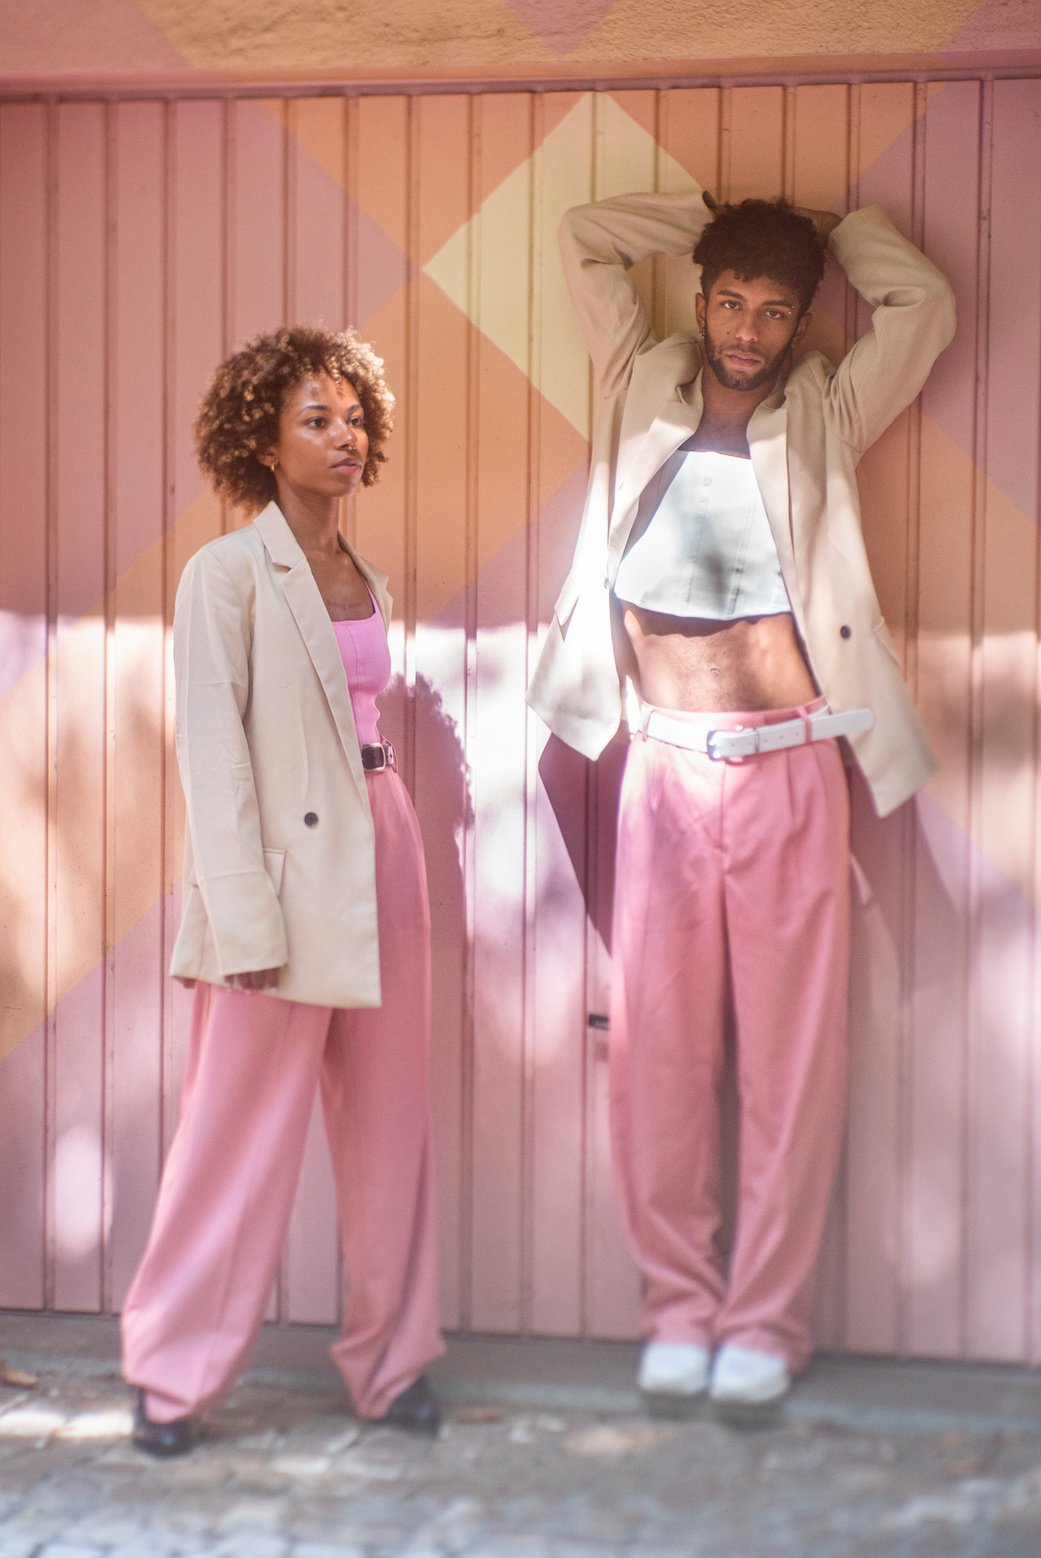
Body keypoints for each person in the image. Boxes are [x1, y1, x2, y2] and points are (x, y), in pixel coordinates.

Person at [527, 187, 955, 1419]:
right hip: (659, 761)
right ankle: (677, 1310)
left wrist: (835, 224)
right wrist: (706, 212)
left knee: (789, 1060)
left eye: (777, 308)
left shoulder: (826, 404)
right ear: (701, 298)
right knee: (657, 1055)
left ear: (804, 317)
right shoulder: (641, 375)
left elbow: (925, 301)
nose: (750, 330)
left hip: (792, 762)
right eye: (730, 299)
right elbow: (584, 234)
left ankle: (763, 1323)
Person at [122, 326, 444, 1455]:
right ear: (262, 441)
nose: (344, 434)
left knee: (392, 1121)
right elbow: (212, 754)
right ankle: (169, 1375)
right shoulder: (222, 573)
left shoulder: (362, 571)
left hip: (381, 839)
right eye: (316, 418)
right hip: (278, 872)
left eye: (353, 414)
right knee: (233, 1129)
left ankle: (392, 1359)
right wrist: (242, 912)